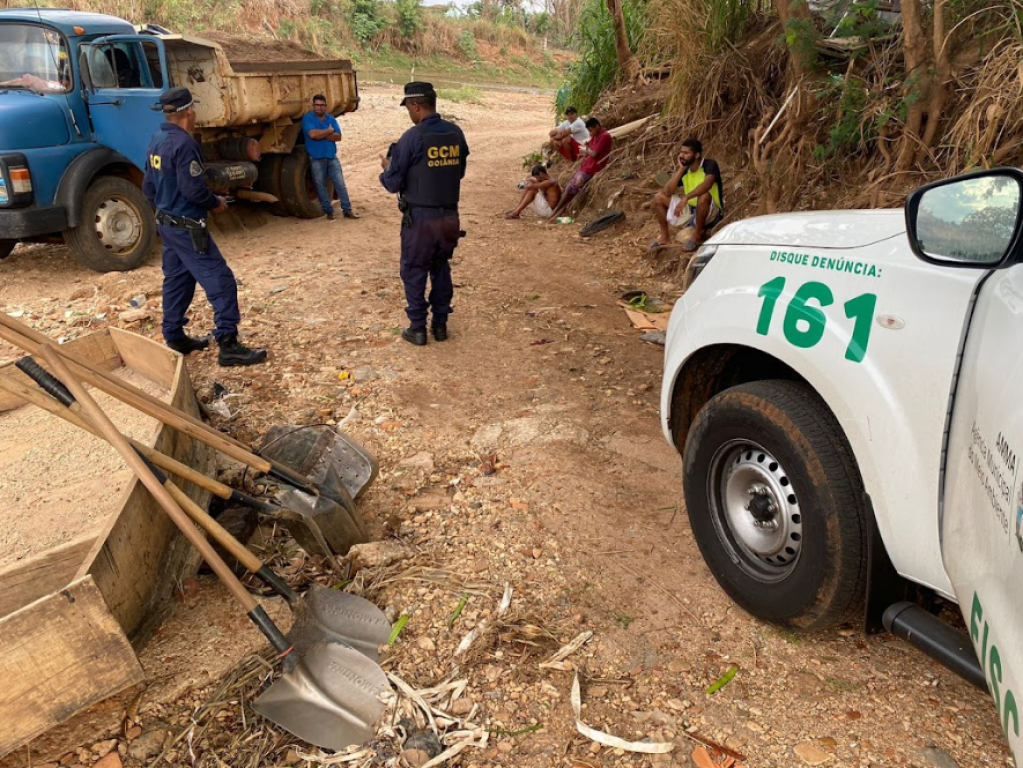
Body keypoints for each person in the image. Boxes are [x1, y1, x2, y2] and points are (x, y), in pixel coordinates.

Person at [142, 87, 267, 366]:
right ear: (189, 111)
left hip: (167, 224)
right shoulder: (185, 144)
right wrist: (215, 202)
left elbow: (148, 187)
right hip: (188, 226)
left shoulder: (157, 139)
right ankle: (228, 343)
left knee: (178, 279)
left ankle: (174, 336)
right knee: (220, 280)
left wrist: (166, 210)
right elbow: (193, 190)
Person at [379, 82, 469, 346]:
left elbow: (392, 183)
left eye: (408, 107)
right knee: (440, 268)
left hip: (420, 220)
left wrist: (386, 168)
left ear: (415, 106)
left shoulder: (413, 137)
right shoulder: (455, 133)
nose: (408, 112)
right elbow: (459, 171)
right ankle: (440, 325)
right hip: (450, 217)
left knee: (414, 270)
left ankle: (418, 328)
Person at [650, 137, 724, 252]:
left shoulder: (709, 165)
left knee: (704, 196)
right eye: (681, 152)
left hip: (711, 211)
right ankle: (665, 237)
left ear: (696, 155)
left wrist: (686, 197)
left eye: (686, 153)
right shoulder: (685, 170)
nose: (681, 156)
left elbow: (707, 185)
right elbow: (667, 192)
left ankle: (697, 237)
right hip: (690, 211)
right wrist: (681, 169)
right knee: (658, 198)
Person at [301, 93, 358, 221]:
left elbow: (338, 137)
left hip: (332, 157)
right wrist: (328, 131)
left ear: (326, 106)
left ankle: (347, 210)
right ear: (313, 106)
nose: (319, 108)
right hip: (316, 158)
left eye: (322, 105)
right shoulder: (308, 118)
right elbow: (313, 135)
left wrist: (322, 134)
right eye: (317, 105)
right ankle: (329, 212)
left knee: (340, 184)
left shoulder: (331, 119)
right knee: (321, 186)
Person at [549, 117, 613, 221]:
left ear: (597, 126)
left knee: (573, 191)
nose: (590, 133)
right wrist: (586, 151)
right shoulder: (596, 135)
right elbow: (591, 150)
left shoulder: (604, 136)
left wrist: (586, 150)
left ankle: (557, 214)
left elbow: (594, 153)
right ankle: (556, 211)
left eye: (591, 130)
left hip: (592, 168)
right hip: (586, 166)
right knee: (570, 189)